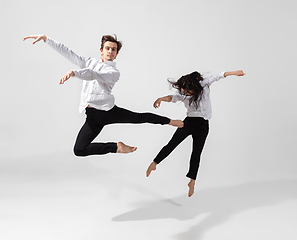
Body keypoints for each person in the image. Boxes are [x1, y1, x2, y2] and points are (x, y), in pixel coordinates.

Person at [23, 34, 184, 155]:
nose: (110, 51)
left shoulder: (113, 72)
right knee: (79, 150)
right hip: (92, 116)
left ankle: (170, 121)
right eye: (107, 48)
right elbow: (69, 53)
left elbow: (94, 75)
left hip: (108, 112)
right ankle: (117, 147)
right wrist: (46, 39)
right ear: (101, 50)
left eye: (114, 49)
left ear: (116, 54)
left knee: (141, 118)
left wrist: (74, 73)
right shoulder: (89, 62)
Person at [146, 70, 245, 197]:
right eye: (183, 91)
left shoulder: (203, 85)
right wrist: (161, 99)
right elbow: (173, 97)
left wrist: (234, 73)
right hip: (188, 123)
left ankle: (192, 181)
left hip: (203, 126)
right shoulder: (183, 94)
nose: (185, 94)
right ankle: (155, 163)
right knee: (172, 144)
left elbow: (218, 76)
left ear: (195, 88)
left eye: (187, 91)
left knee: (196, 153)